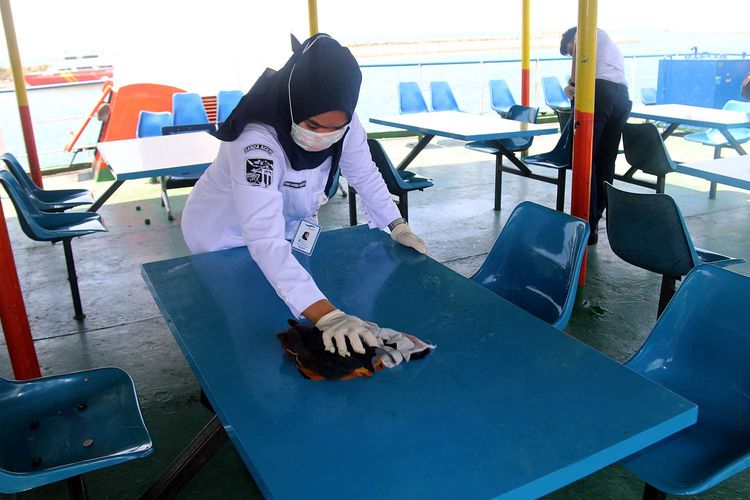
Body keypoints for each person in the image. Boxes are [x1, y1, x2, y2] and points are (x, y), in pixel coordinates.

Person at [181, 34, 428, 358]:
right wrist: (329, 316)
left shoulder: (344, 121)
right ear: (294, 103)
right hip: (224, 236)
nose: (324, 136)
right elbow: (263, 239)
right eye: (313, 124)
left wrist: (397, 225)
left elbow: (364, 173)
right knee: (243, 322)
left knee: (287, 307)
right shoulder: (256, 143)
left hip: (284, 225)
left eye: (335, 128)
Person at [560, 27, 632, 245]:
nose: (572, 55)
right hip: (622, 97)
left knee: (585, 156)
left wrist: (570, 87)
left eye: (570, 51)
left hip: (601, 92)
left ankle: (585, 221)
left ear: (569, 40)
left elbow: (575, 78)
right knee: (606, 161)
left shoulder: (583, 30)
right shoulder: (604, 39)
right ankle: (595, 221)